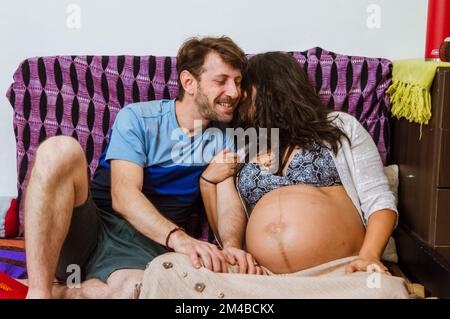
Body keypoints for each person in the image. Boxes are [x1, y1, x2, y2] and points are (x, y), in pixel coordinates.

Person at [24, 36, 261, 299]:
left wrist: (230, 246)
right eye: (221, 81)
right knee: (58, 150)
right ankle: (39, 292)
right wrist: (179, 238)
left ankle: (69, 292)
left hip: (143, 248)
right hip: (91, 229)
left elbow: (226, 195)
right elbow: (123, 196)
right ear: (189, 82)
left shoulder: (227, 136)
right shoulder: (138, 118)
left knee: (132, 292)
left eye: (238, 82)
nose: (234, 92)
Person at [200, 51, 398, 275]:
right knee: (169, 269)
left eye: (244, 85)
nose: (237, 95)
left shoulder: (340, 127)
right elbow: (229, 237)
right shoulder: (245, 145)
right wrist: (206, 183)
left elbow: (379, 199)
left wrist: (368, 257)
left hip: (341, 270)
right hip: (262, 277)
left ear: (271, 86)